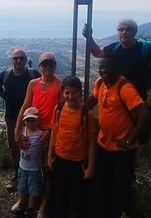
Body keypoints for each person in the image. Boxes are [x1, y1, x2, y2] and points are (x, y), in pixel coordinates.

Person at [86, 57, 151, 217]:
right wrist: (78, 114)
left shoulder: (125, 87)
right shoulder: (100, 83)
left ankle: (123, 212)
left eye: (108, 67)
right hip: (104, 143)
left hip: (122, 148)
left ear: (117, 68)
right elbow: (93, 99)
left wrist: (129, 140)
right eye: (101, 67)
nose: (104, 71)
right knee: (102, 181)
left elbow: (144, 115)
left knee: (121, 185)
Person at [14, 51, 63, 218]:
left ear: (55, 66)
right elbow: (25, 105)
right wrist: (17, 129)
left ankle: (43, 206)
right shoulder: (33, 84)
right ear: (40, 66)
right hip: (32, 130)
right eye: (44, 64)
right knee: (27, 167)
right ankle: (24, 200)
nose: (47, 67)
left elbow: (62, 113)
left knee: (46, 169)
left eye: (50, 64)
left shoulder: (60, 85)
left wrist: (50, 131)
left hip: (50, 133)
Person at [83, 18, 151, 110]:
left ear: (134, 33)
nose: (124, 32)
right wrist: (89, 37)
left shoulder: (143, 51)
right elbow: (97, 53)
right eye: (121, 29)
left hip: (136, 101)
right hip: (116, 100)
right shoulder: (115, 48)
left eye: (128, 29)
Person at [47, 76, 96, 218]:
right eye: (67, 93)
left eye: (74, 92)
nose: (70, 96)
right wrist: (50, 156)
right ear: (62, 93)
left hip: (78, 162)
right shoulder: (58, 109)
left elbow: (92, 141)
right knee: (59, 197)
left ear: (80, 93)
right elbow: (54, 133)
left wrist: (90, 167)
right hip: (60, 159)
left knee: (77, 198)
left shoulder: (87, 114)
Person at [0, 49, 41, 192]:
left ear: (26, 60)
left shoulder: (33, 74)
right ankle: (17, 175)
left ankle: (34, 175)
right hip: (12, 116)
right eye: (16, 58)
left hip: (31, 119)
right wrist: (5, 96)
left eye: (21, 58)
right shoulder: (6, 74)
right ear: (11, 60)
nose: (18, 61)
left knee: (33, 146)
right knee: (14, 146)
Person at [10, 107, 44, 216]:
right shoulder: (22, 130)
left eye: (33, 120)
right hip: (23, 166)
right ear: (24, 121)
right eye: (28, 120)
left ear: (38, 120)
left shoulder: (40, 134)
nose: (31, 123)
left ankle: (31, 208)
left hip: (34, 168)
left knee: (33, 189)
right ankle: (22, 204)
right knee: (22, 187)